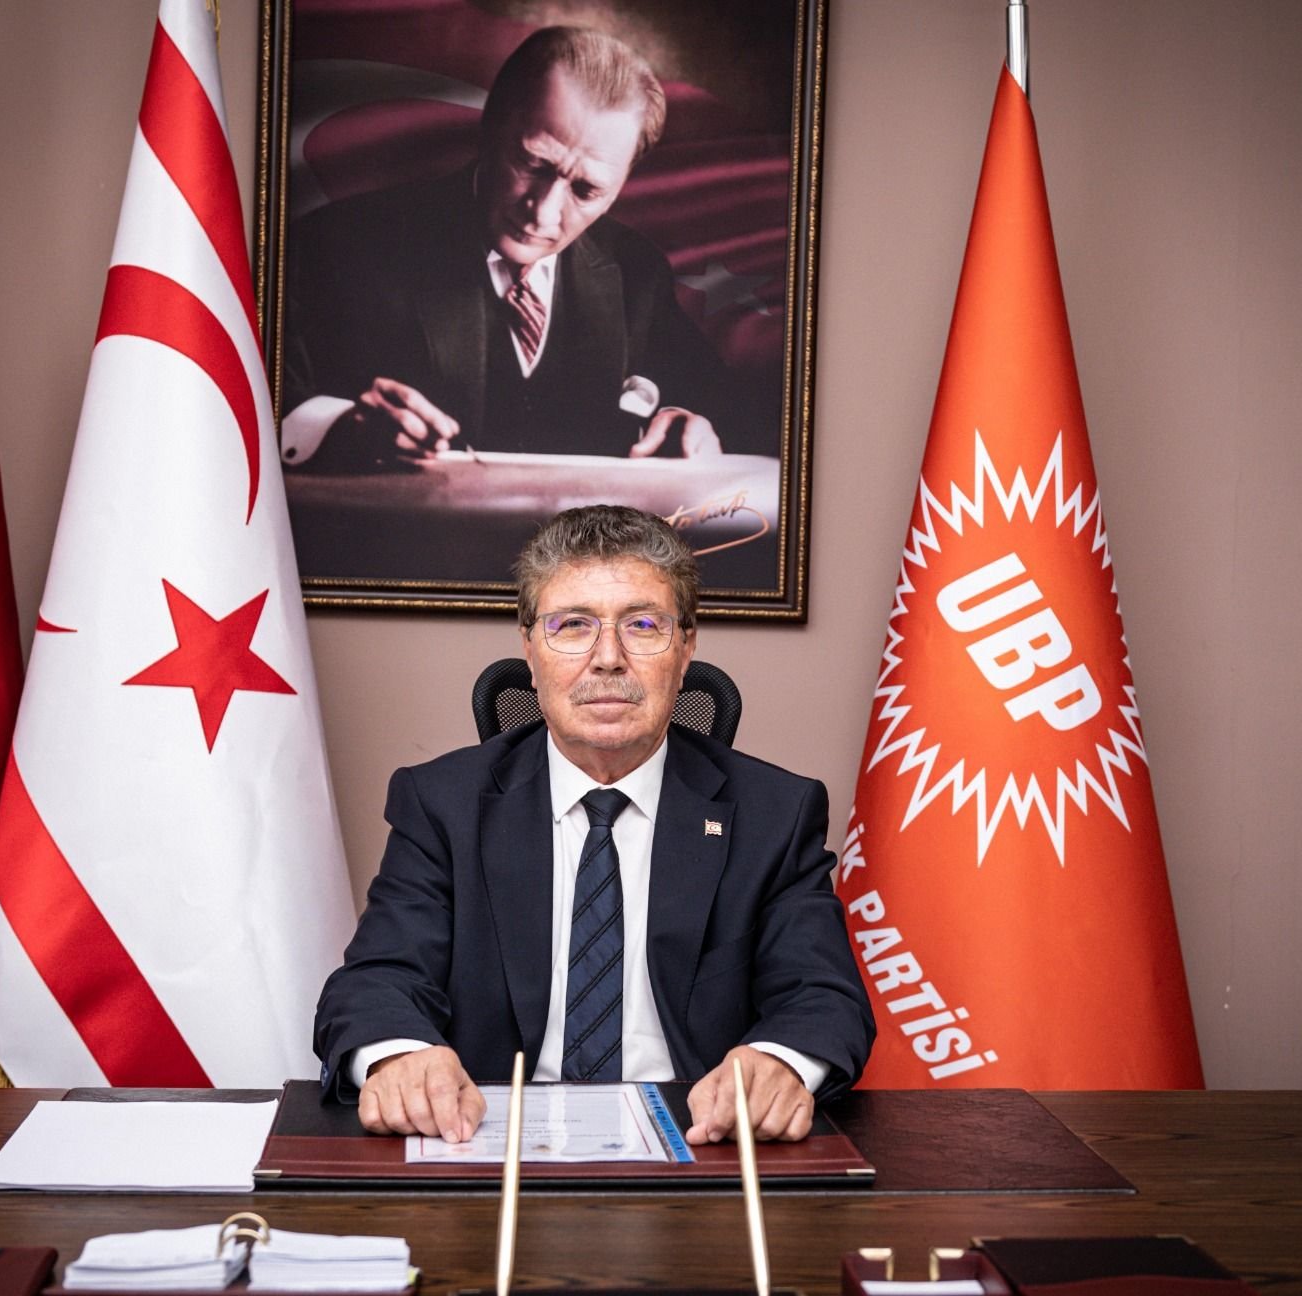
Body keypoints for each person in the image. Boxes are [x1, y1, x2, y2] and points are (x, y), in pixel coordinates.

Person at [314, 505, 874, 1145]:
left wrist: (779, 1061)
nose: (608, 658)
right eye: (572, 625)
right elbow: (377, 981)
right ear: (529, 651)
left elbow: (823, 997)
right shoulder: (443, 803)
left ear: (686, 649)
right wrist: (400, 1056)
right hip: (484, 1142)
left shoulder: (775, 813)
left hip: (702, 1146)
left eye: (643, 624)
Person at [280, 26, 736, 469]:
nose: (543, 213)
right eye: (533, 163)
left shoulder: (636, 270)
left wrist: (685, 421)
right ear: (491, 124)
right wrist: (337, 426)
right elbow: (258, 401)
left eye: (586, 190)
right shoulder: (336, 245)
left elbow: (718, 407)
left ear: (621, 185)